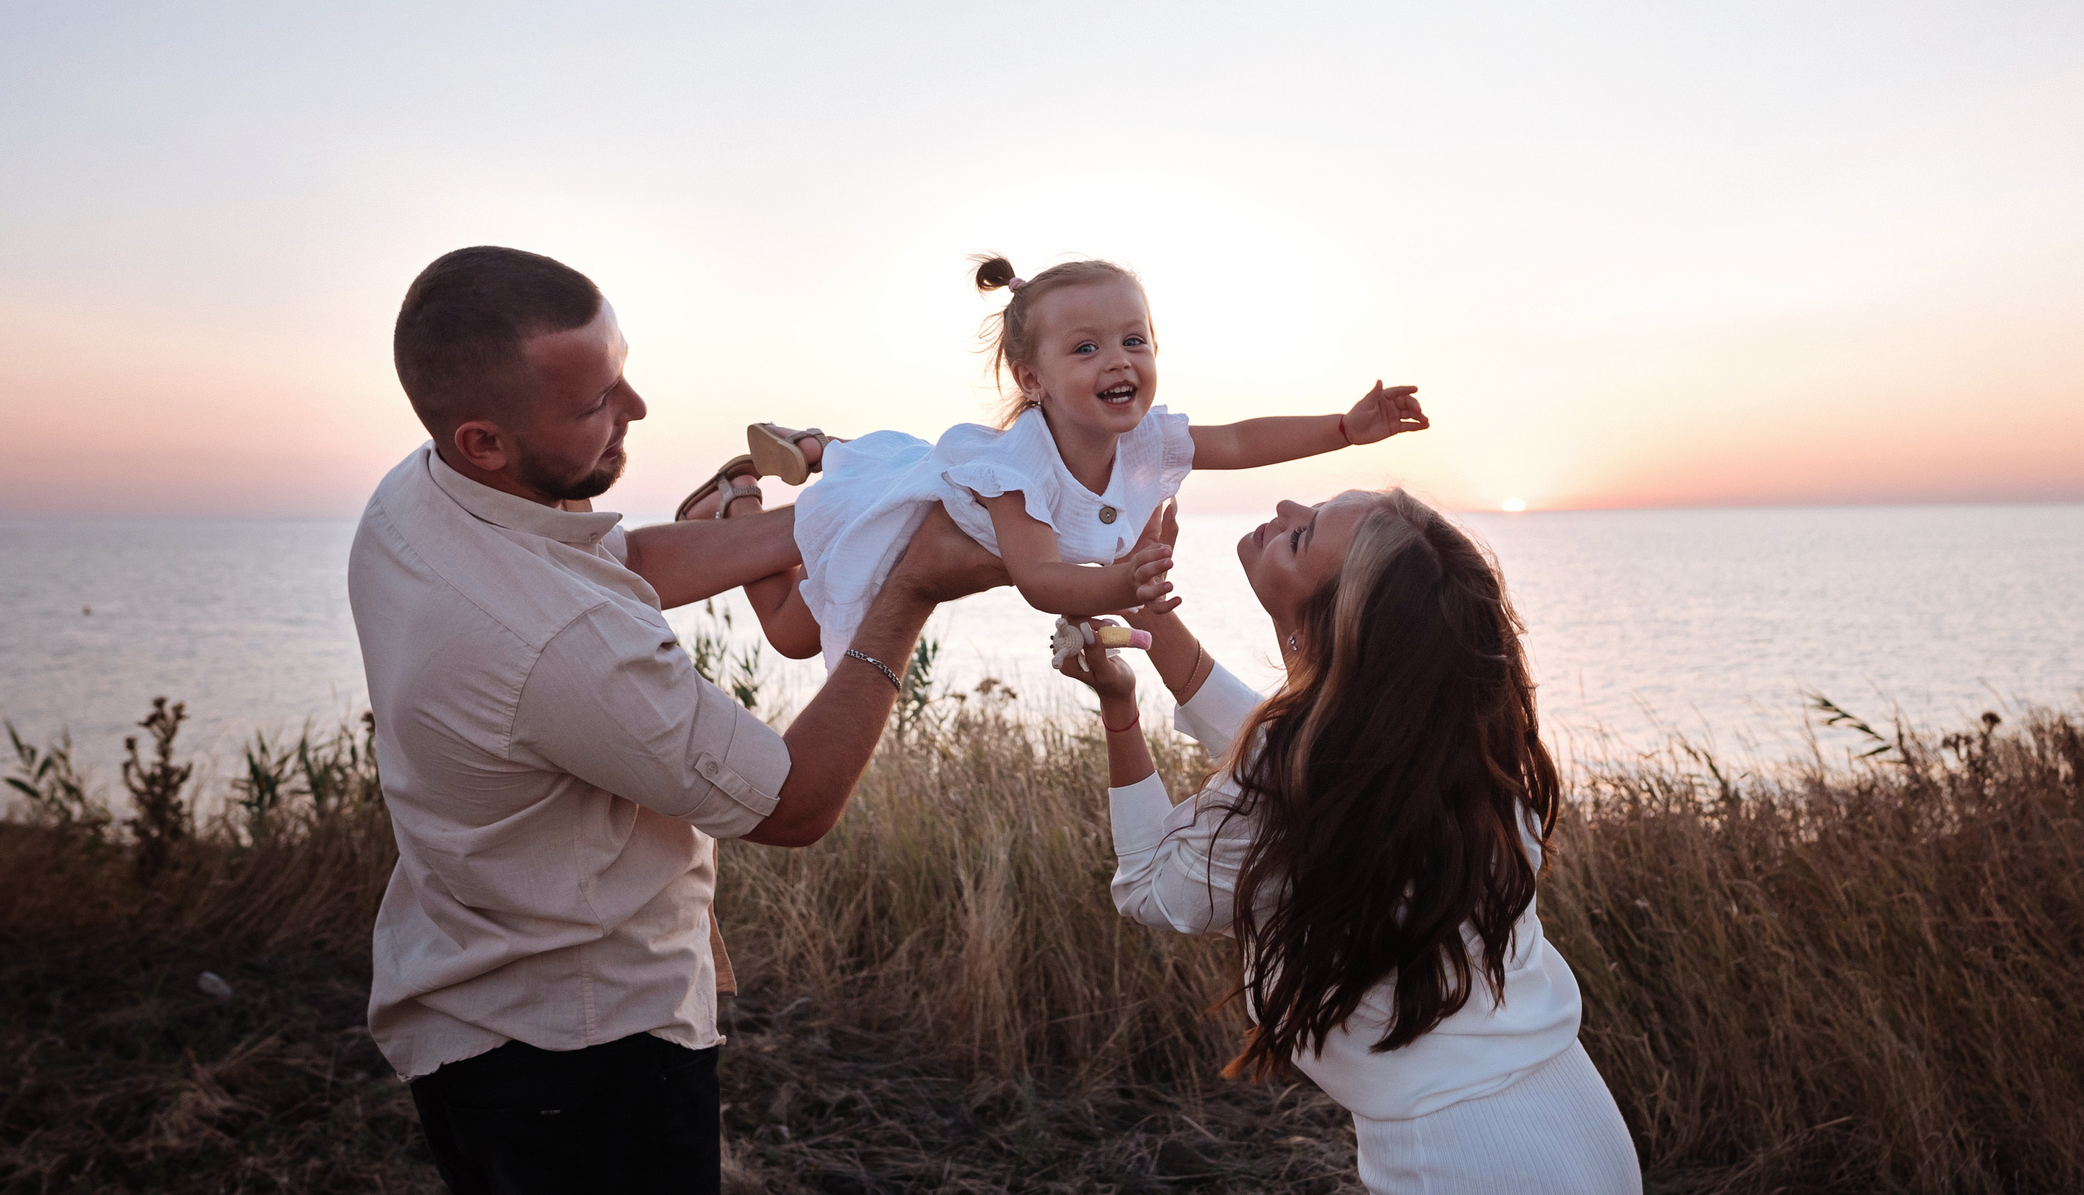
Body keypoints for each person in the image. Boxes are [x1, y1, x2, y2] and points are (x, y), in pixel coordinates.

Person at [347, 246, 1004, 1194]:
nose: (638, 408)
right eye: (596, 403)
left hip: (462, 1006)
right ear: (484, 439)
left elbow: (618, 562)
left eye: (621, 372)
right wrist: (908, 592)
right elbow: (794, 804)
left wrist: (847, 517)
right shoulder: (562, 644)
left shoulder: (416, 496)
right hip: (582, 1066)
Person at [1057, 492, 1644, 1195]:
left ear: (1324, 629)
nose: (1284, 505)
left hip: (1465, 1160)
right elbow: (1287, 753)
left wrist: (1119, 708)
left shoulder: (1319, 776)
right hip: (1579, 1122)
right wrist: (1147, 608)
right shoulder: (1450, 749)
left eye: (1301, 536)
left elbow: (1149, 884)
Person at [732, 253, 1430, 671]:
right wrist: (1120, 581)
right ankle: (735, 503)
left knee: (812, 600)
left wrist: (1346, 428)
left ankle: (816, 449)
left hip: (936, 483)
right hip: (905, 517)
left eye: (1134, 340)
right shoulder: (1020, 471)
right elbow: (1038, 579)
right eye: (1087, 348)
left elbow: (1242, 443)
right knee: (794, 634)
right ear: (1032, 379)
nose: (1119, 360)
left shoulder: (1147, 440)